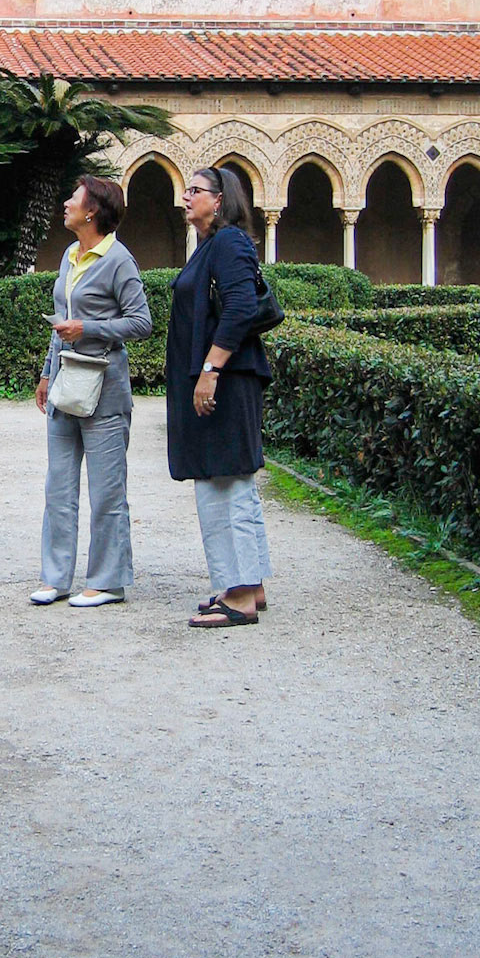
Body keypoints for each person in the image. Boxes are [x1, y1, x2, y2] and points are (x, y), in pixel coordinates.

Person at [33, 175, 153, 608]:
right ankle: (55, 578)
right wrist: (46, 372)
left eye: (74, 197)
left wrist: (89, 328)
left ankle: (107, 582)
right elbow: (60, 320)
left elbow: (142, 322)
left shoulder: (119, 260)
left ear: (93, 211)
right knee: (58, 488)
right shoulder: (69, 255)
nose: (66, 203)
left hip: (105, 388)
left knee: (106, 492)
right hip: (66, 384)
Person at [166, 165, 273, 628]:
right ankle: (249, 585)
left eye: (195, 190)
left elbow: (242, 308)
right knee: (227, 480)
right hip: (221, 377)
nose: (186, 197)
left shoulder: (228, 242)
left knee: (224, 482)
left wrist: (210, 370)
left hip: (226, 380)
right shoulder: (212, 245)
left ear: (220, 199)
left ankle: (241, 595)